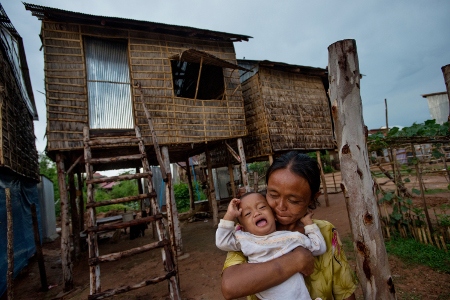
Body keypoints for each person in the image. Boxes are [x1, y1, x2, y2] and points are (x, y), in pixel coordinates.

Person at [221, 151, 358, 300]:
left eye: (293, 200)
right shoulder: (250, 231)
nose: (280, 206)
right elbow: (230, 286)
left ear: (312, 198)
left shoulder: (325, 231)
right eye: (273, 195)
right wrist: (297, 260)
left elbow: (344, 293)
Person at [216, 192, 326, 300]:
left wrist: (309, 224)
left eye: (262, 207)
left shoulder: (292, 237)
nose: (256, 213)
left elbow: (318, 247)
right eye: (248, 214)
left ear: (274, 216)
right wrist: (229, 215)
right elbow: (222, 241)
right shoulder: (245, 239)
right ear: (243, 228)